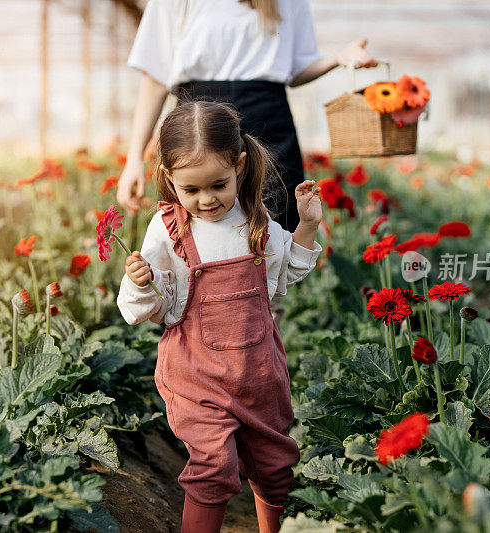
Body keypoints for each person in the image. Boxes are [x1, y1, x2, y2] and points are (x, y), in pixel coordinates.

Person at [116, 101, 323, 533]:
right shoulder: (167, 229)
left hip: (258, 372)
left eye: (218, 184)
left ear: (240, 166)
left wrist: (306, 226)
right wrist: (140, 281)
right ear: (169, 178)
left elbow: (288, 272)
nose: (206, 199)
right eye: (191, 190)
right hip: (196, 374)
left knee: (274, 464)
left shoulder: (257, 220)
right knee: (212, 466)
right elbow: (148, 310)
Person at [116, 0, 377, 232]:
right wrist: (134, 159)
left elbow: (296, 69)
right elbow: (155, 78)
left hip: (267, 125)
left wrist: (337, 59)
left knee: (277, 234)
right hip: (196, 127)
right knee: (195, 236)